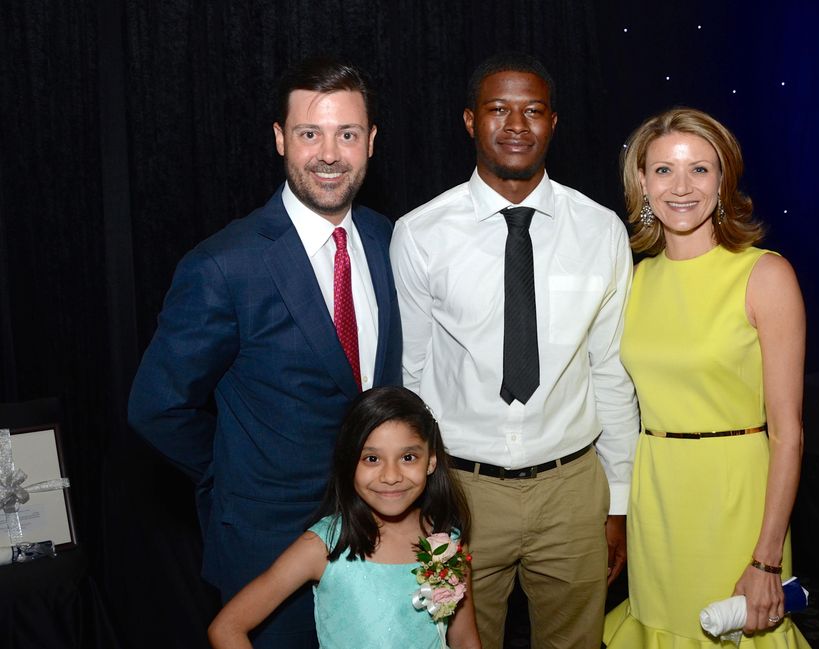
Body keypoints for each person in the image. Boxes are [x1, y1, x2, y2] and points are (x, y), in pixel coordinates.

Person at [128, 56, 402, 648]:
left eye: (347, 134)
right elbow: (156, 407)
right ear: (280, 138)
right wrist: (234, 472)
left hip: (378, 537)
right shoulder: (225, 265)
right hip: (266, 546)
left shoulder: (387, 240)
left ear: (371, 142)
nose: (329, 153)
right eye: (310, 133)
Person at [390, 52, 639, 649]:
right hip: (459, 492)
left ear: (554, 123)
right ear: (471, 121)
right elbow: (411, 376)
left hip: (573, 491)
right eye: (499, 109)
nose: (516, 125)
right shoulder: (421, 232)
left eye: (533, 111)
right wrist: (415, 496)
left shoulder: (600, 229)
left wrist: (620, 501)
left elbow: (610, 372)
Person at [603, 107, 811, 647]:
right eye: (664, 170)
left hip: (737, 498)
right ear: (642, 183)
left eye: (700, 169)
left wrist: (766, 558)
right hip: (658, 501)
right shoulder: (633, 279)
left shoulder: (764, 275)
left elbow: (788, 433)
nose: (681, 186)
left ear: (723, 182)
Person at [207, 386, 481, 649]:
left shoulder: (447, 546)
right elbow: (227, 627)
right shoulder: (323, 545)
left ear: (431, 461)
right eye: (371, 459)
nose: (391, 476)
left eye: (408, 457)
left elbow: (465, 642)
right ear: (349, 462)